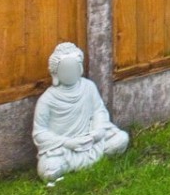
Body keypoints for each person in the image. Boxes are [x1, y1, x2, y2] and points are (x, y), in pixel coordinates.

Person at [32, 42, 129, 183]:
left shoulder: (88, 87)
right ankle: (74, 164)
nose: (69, 73)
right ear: (55, 73)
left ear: (80, 69)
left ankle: (89, 158)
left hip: (91, 140)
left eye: (73, 68)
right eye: (65, 70)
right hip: (65, 148)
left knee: (121, 139)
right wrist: (67, 142)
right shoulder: (48, 99)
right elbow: (40, 133)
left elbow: (98, 111)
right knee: (48, 170)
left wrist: (98, 131)